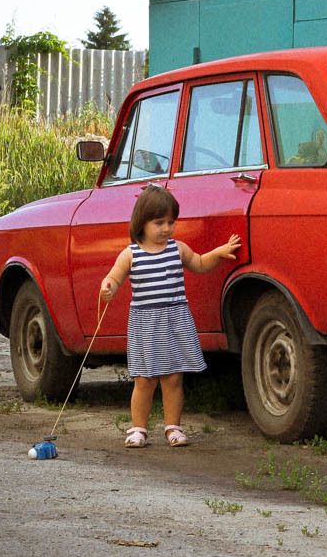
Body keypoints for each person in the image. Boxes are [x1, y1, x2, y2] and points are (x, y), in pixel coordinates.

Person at [100, 185, 241, 448]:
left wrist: (219, 253)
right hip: (146, 324)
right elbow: (114, 278)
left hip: (175, 320)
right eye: (159, 223)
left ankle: (173, 427)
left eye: (170, 222)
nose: (166, 228)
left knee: (174, 378)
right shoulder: (131, 254)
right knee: (144, 380)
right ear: (141, 223)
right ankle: (138, 429)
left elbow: (199, 263)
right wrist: (107, 287)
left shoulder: (177, 249)